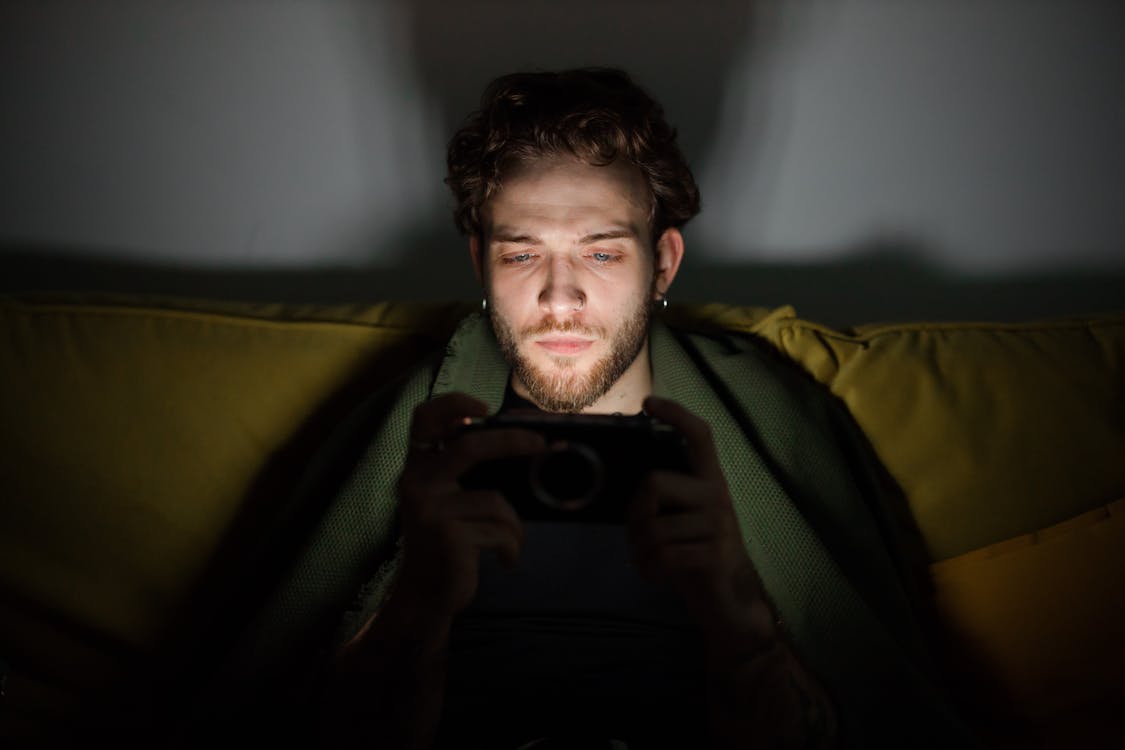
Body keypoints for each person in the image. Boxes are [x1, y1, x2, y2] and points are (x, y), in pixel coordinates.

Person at [192, 68, 976, 749]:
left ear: (661, 260)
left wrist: (739, 619)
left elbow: (857, 726)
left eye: (601, 252)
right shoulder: (418, 436)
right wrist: (418, 607)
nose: (558, 298)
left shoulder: (762, 427)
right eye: (521, 253)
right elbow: (279, 726)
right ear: (480, 263)